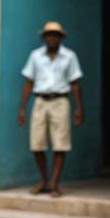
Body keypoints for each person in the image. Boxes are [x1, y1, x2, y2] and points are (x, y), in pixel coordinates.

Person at [18, 21, 83, 198]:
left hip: (60, 101)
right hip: (40, 101)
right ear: (44, 38)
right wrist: (23, 108)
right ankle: (43, 180)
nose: (52, 38)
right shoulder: (35, 56)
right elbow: (29, 82)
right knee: (36, 144)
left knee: (60, 144)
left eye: (56, 35)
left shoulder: (69, 56)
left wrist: (79, 109)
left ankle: (54, 183)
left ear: (61, 38)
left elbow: (75, 82)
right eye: (49, 35)